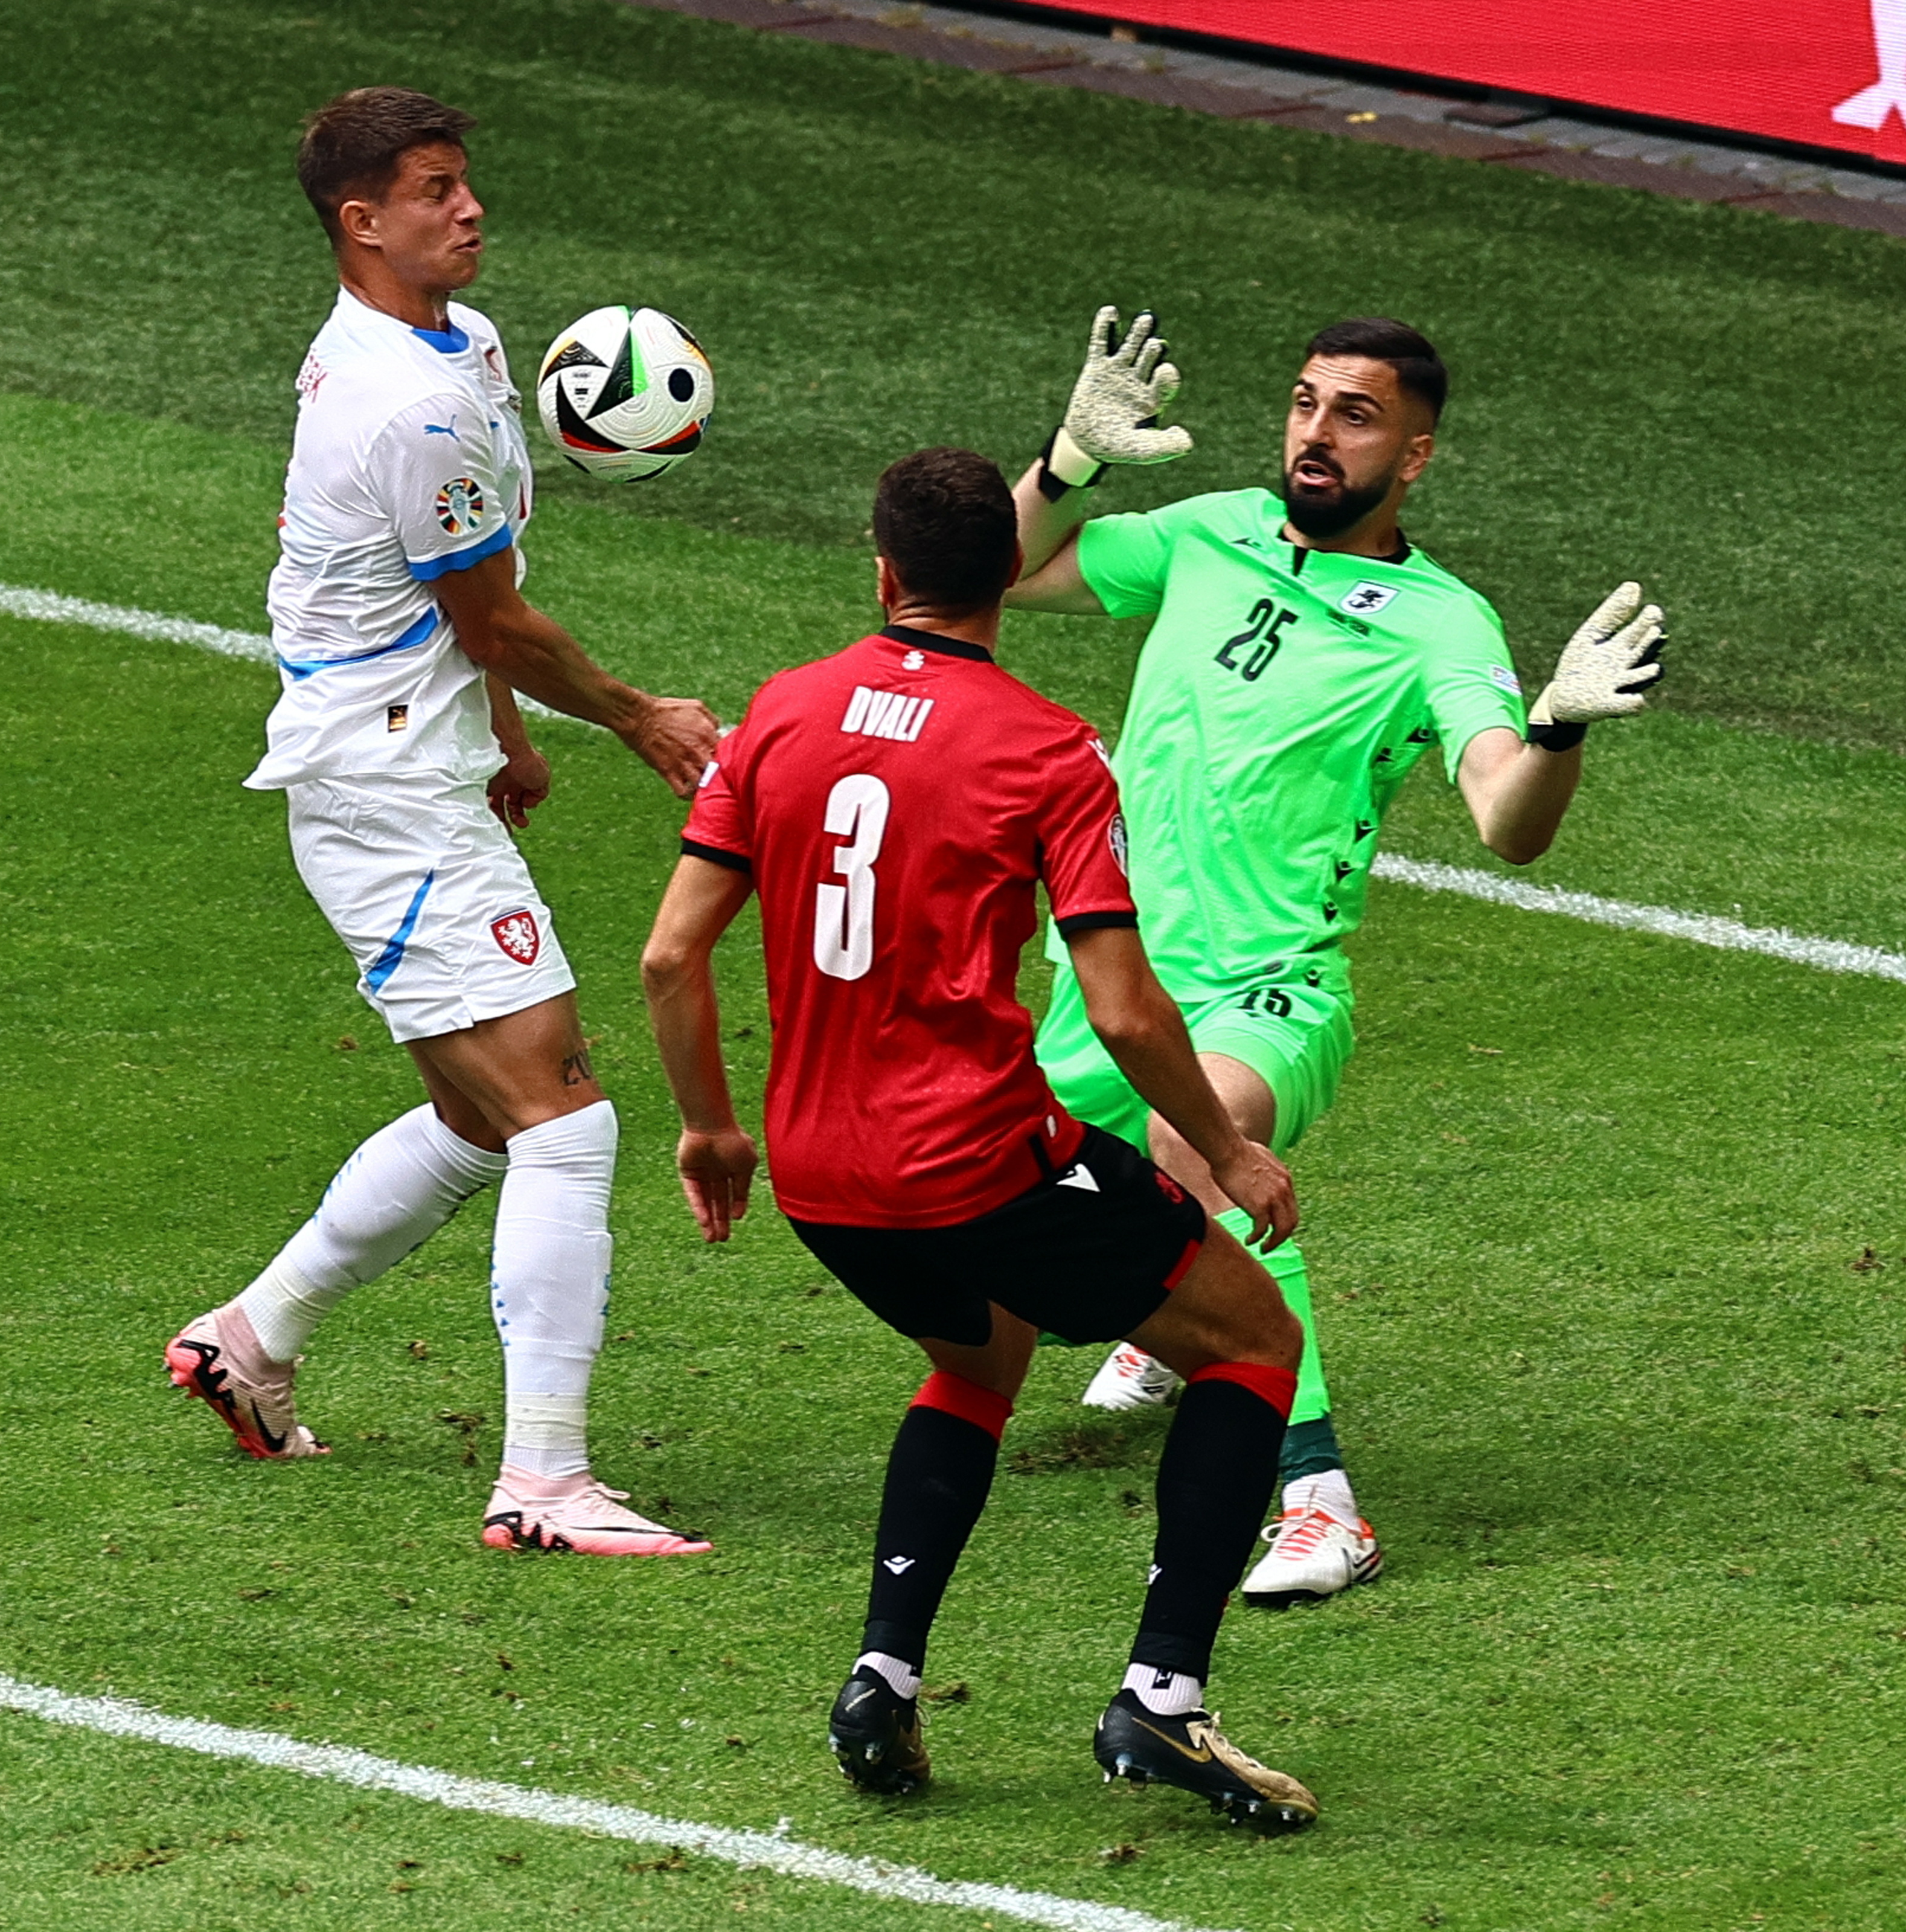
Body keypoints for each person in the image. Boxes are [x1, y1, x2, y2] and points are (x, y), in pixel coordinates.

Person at [640, 447, 1322, 1830]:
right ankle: (1164, 1701)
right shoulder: (1049, 748)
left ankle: (882, 1683)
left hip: (821, 1174)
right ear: (1007, 575)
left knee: (977, 1356)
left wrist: (713, 1128)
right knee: (1254, 1342)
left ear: (880, 566)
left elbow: (668, 956)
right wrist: (1230, 1152)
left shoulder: (781, 712)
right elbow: (1124, 1012)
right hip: (973, 1157)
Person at [1006, 309, 1667, 1604]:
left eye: (1353, 415)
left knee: (1203, 1144)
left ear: (1413, 456)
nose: (1316, 432)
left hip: (1270, 989)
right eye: (1306, 403)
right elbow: (1002, 572)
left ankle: (1319, 1501)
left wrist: (1554, 733)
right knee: (975, 1185)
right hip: (1109, 985)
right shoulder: (1208, 531)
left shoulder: (1441, 624)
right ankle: (1165, 1310)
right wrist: (1069, 461)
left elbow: (1503, 819)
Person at [165, 86, 720, 1559]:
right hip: (381, 791)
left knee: (486, 1115)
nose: (468, 209)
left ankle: (250, 1337)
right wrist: (642, 716)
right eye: (434, 190)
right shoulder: (403, 399)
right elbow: (497, 614)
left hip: (421, 762)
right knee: (565, 1118)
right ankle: (542, 1480)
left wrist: (511, 739)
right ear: (363, 222)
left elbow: (463, 609)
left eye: (467, 182)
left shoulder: (458, 346)